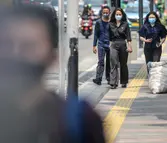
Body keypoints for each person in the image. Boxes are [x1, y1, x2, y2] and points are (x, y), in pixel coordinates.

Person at [0, 5, 106, 143]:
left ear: (53, 55)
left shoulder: (81, 120)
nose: (16, 54)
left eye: (29, 46)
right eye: (6, 44)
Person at [108, 8, 132, 89]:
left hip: (123, 44)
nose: (118, 16)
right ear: (114, 15)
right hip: (114, 44)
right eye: (117, 14)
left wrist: (129, 46)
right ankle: (113, 82)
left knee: (123, 64)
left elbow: (128, 36)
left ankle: (124, 82)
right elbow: (108, 36)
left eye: (120, 14)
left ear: (122, 15)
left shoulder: (125, 24)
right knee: (113, 63)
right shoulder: (110, 24)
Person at [92, 6, 111, 85]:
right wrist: (94, 45)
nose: (105, 14)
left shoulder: (111, 23)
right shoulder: (98, 23)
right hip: (101, 45)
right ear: (102, 13)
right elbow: (96, 35)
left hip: (110, 44)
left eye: (107, 12)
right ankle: (98, 79)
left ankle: (109, 78)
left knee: (109, 62)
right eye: (104, 12)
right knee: (101, 62)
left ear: (109, 13)